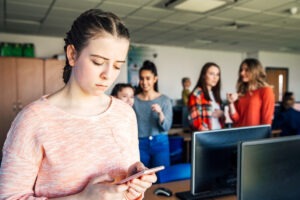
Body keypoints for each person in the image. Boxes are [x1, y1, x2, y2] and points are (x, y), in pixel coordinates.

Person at [0, 9, 156, 200]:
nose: (108, 75)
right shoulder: (34, 119)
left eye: (117, 65)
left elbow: (126, 188)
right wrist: (82, 198)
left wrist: (135, 183)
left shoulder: (125, 114)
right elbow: (10, 197)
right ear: (72, 55)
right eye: (98, 62)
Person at [133, 60, 173, 169]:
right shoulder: (134, 101)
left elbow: (166, 127)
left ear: (155, 79)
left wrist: (160, 113)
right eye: (142, 78)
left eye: (148, 78)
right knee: (141, 178)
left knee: (162, 178)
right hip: (140, 143)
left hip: (160, 142)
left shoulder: (165, 100)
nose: (144, 82)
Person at [227, 58, 275, 127]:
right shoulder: (241, 92)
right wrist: (230, 103)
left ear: (255, 72)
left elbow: (266, 122)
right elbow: (236, 119)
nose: (242, 73)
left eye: (246, 70)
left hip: (255, 136)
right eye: (241, 70)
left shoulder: (266, 90)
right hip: (239, 135)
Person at [188, 62, 224, 131]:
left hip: (218, 133)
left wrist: (222, 114)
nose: (215, 77)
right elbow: (195, 121)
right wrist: (207, 134)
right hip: (207, 136)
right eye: (211, 74)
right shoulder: (197, 93)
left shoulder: (214, 94)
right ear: (204, 75)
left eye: (217, 74)